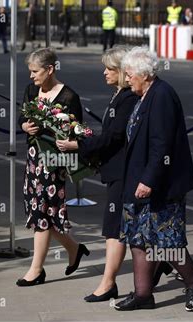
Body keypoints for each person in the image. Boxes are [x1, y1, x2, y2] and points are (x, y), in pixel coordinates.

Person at [114, 46, 193, 312]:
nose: (127, 78)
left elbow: (162, 145)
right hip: (139, 182)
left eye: (130, 74)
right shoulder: (144, 95)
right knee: (137, 237)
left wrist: (149, 180)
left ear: (144, 74)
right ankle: (143, 293)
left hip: (160, 184)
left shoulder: (162, 95)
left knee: (166, 240)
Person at [56, 46, 138, 302]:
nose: (104, 73)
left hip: (123, 172)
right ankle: (157, 267)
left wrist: (78, 145)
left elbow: (114, 138)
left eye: (109, 68)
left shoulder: (127, 98)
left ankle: (108, 283)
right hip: (116, 170)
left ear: (123, 72)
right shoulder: (120, 95)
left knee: (115, 228)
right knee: (124, 228)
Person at [16, 48, 90, 286]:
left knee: (42, 213)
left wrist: (69, 140)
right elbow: (21, 117)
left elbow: (79, 131)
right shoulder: (31, 90)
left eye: (35, 71)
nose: (31, 76)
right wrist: (25, 126)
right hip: (33, 157)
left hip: (54, 161)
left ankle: (36, 270)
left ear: (50, 70)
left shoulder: (69, 97)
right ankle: (74, 248)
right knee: (40, 211)